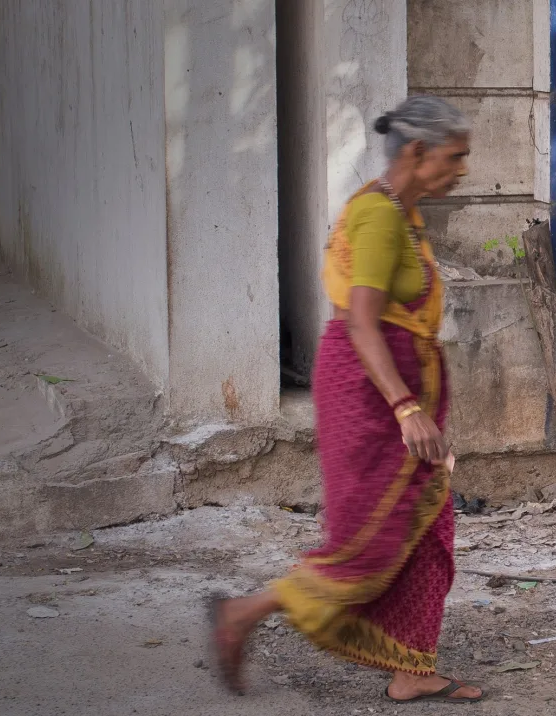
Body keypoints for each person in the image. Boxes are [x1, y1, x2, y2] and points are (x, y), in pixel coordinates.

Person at [208, 96, 482, 705]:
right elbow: (360, 324)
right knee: (371, 540)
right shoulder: (380, 217)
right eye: (455, 156)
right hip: (370, 399)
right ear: (416, 152)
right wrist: (406, 408)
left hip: (393, 396)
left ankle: (412, 666)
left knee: (425, 524)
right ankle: (243, 614)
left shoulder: (400, 211)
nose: (463, 169)